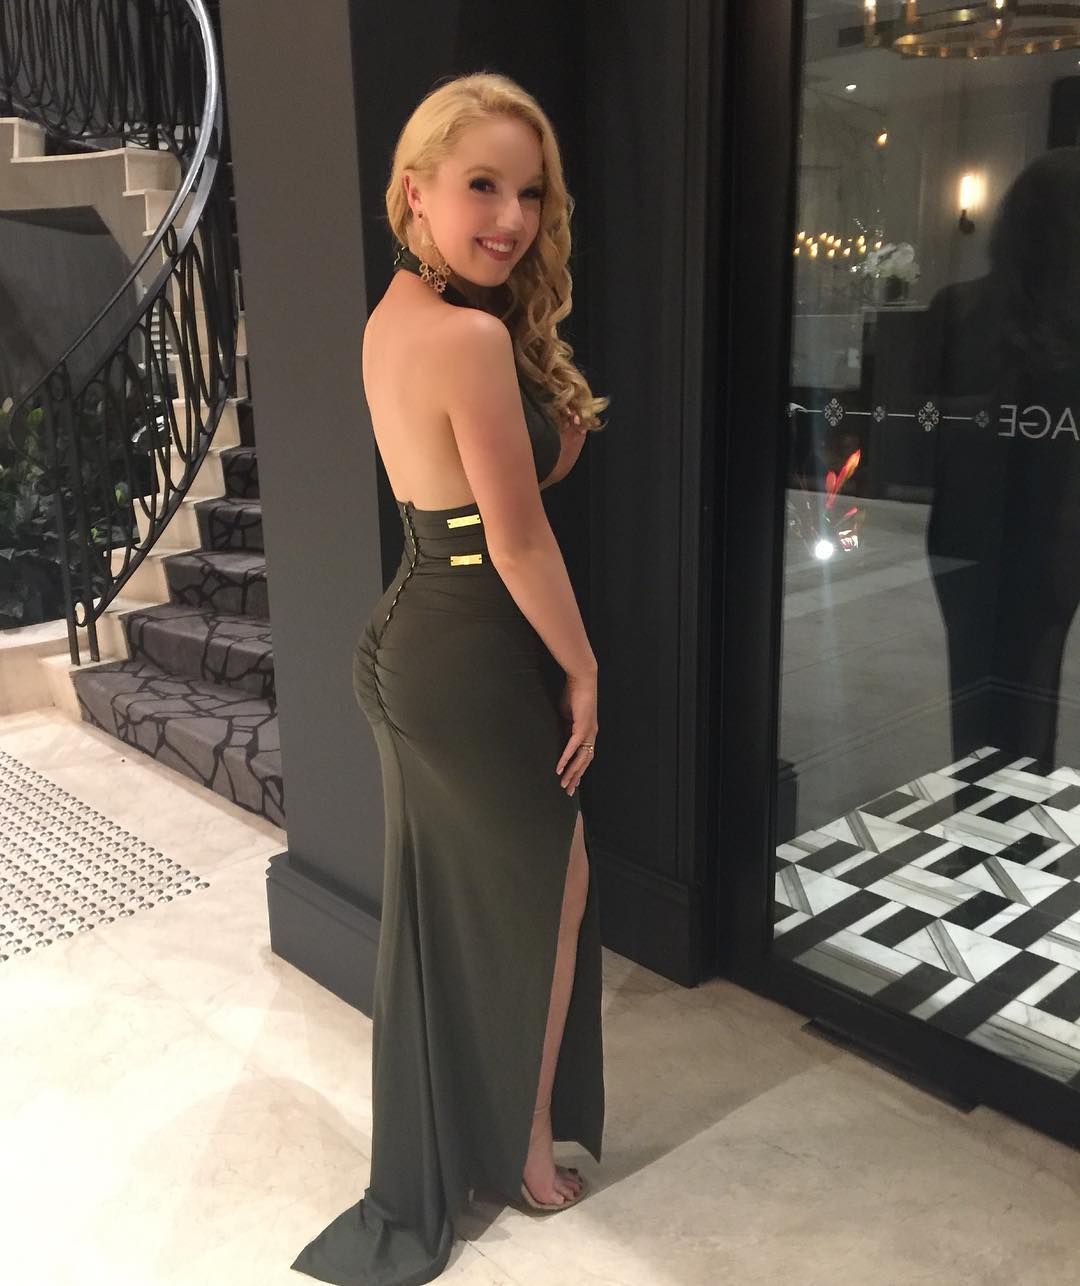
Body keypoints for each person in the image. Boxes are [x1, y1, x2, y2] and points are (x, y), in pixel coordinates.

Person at [291, 71, 610, 1285]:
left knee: (458, 911)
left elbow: (470, 502)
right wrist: (582, 668)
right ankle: (522, 1149)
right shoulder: (470, 336)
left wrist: (543, 436)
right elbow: (516, 542)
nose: (513, 218)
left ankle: (480, 1130)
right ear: (415, 190)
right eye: (484, 185)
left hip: (417, 634)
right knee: (547, 890)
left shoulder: (398, 314)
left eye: (530, 193)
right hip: (467, 646)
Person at [922, 146, 1080, 768]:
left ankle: (979, 796)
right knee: (1034, 679)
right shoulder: (1067, 323)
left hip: (963, 526)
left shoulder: (958, 306)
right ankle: (1016, 800)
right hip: (1055, 536)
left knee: (972, 676)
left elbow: (921, 424)